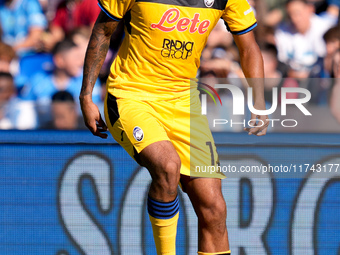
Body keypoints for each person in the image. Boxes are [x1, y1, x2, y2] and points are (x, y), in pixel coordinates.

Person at [79, 0, 269, 254]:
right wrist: (86, 96)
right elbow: (103, 30)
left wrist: (258, 100)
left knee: (214, 208)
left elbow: (249, 47)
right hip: (131, 95)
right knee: (168, 166)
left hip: (184, 102)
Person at [23, 38, 101, 127]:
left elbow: (93, 114)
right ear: (59, 60)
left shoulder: (88, 82)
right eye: (76, 58)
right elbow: (25, 111)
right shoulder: (37, 81)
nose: (81, 62)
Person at [275, 0, 334, 78]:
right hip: (291, 77)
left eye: (297, 13)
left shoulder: (325, 29)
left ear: (310, 9)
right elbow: (282, 60)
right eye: (290, 15)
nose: (294, 18)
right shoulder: (281, 31)